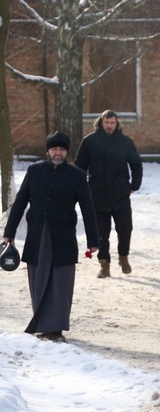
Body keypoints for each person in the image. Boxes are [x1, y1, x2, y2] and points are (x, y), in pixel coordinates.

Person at [2, 132, 98, 342]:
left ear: (66, 152)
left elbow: (88, 208)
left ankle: (55, 328)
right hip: (37, 234)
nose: (58, 152)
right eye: (54, 149)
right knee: (38, 278)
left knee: (61, 281)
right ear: (48, 151)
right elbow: (19, 203)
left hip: (63, 236)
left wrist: (93, 241)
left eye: (62, 149)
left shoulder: (77, 175)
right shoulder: (34, 171)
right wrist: (9, 233)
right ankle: (42, 322)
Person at [74, 109, 142, 278]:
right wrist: (80, 188)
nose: (109, 126)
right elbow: (79, 167)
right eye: (106, 123)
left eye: (112, 123)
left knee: (125, 229)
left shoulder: (125, 142)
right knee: (101, 233)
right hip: (97, 195)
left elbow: (136, 164)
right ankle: (104, 264)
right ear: (101, 122)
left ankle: (123, 257)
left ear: (116, 123)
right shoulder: (89, 142)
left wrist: (135, 184)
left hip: (120, 194)